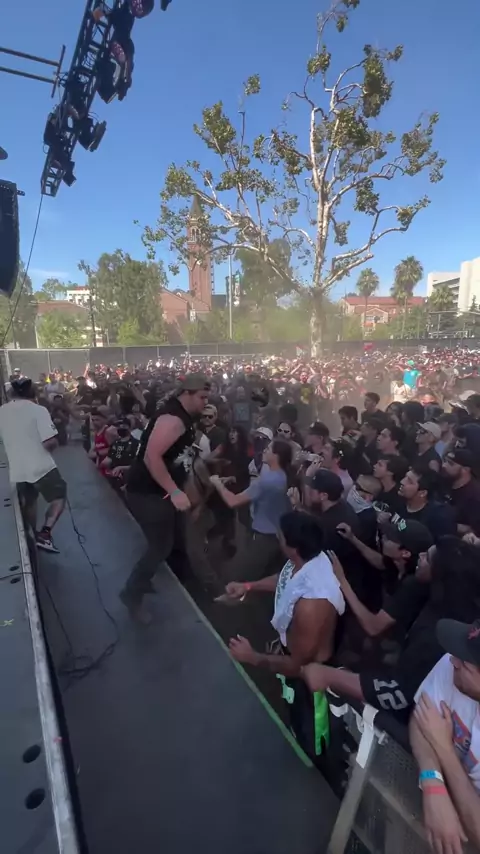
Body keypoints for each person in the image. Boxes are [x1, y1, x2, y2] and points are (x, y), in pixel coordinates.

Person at [303, 537, 480, 723]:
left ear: (441, 575)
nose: (420, 557)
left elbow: (399, 692)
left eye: (427, 558)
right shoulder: (445, 597)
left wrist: (330, 676)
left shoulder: (435, 638)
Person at [221, 511, 345, 762]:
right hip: (293, 653)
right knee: (292, 710)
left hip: (310, 678)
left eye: (280, 535)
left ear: (293, 547)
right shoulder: (308, 559)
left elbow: (298, 665)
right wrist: (248, 586)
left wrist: (253, 657)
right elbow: (285, 579)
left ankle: (317, 769)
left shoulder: (312, 604)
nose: (277, 537)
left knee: (313, 736)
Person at [120, 373, 211, 623]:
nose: (205, 403)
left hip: (159, 492)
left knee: (173, 541)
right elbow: (151, 457)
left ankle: (177, 582)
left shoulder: (182, 417)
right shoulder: (174, 419)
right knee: (160, 547)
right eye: (202, 397)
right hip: (148, 493)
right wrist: (175, 491)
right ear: (187, 394)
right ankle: (131, 593)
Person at [410, 618, 480, 853]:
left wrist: (445, 751)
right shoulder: (451, 667)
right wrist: (433, 783)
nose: (453, 661)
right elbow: (420, 721)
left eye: (466, 663)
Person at [210, 439, 293, 582]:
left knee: (241, 577)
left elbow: (233, 501)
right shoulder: (283, 476)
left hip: (263, 537)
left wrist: (217, 483)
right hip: (277, 536)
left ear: (277, 456)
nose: (264, 450)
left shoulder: (266, 481)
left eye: (269, 449)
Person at [0, 378, 66, 552]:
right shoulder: (38, 410)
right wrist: (55, 443)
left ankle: (32, 534)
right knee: (59, 496)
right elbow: (49, 442)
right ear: (33, 393)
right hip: (41, 466)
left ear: (12, 393)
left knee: (30, 501)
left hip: (18, 469)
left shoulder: (2, 411)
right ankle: (45, 534)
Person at [394, 467, 457, 542]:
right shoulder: (399, 501)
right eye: (405, 477)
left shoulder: (438, 517)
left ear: (423, 493)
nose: (402, 482)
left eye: (410, 481)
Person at [442, 449, 480, 535]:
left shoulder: (474, 496)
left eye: (450, 463)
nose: (444, 465)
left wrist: (448, 524)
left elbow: (475, 530)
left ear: (465, 469)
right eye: (445, 461)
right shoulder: (444, 482)